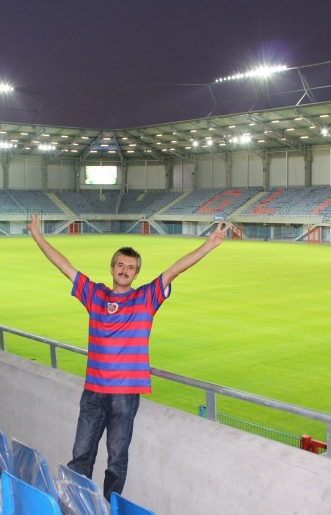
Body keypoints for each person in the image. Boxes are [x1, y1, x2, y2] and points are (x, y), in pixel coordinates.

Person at [27, 213, 232, 500]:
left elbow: (175, 270)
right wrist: (38, 236)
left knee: (116, 460)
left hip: (125, 395)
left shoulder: (146, 298)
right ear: (112, 268)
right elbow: (64, 266)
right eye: (121, 265)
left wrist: (208, 245)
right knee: (81, 455)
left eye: (131, 267)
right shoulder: (95, 294)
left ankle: (109, 508)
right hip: (93, 392)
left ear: (136, 275)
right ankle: (76, 505)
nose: (125, 270)